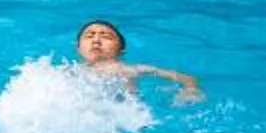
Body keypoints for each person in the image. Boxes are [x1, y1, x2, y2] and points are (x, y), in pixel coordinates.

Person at [74, 19, 203, 102]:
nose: (96, 40)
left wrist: (191, 90)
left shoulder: (133, 70)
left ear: (121, 50)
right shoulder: (69, 72)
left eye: (106, 37)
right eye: (89, 36)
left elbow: (188, 79)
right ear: (78, 49)